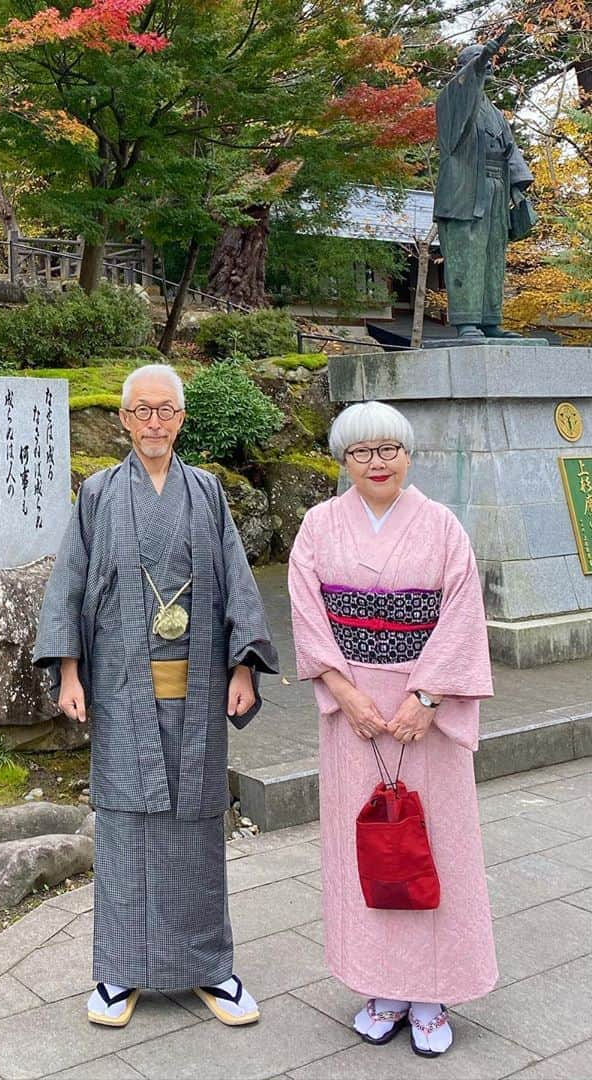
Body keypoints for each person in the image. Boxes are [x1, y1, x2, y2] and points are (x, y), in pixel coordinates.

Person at [33, 363, 278, 1028]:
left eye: (165, 410)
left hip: (197, 691)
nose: (153, 423)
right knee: (125, 827)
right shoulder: (101, 493)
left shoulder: (207, 493)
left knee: (197, 827)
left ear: (181, 417)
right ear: (122, 419)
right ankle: (119, 972)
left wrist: (243, 667)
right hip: (121, 693)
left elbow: (236, 580)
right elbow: (70, 585)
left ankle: (211, 969)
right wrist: (70, 672)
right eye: (140, 411)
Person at [288, 401, 497, 1057]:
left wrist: (428, 696)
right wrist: (344, 693)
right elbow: (307, 611)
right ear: (344, 461)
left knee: (433, 844)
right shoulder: (320, 527)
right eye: (361, 452)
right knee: (366, 846)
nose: (377, 463)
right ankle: (379, 986)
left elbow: (462, 614)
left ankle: (432, 990)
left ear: (408, 455)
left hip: (422, 714)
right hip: (354, 713)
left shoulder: (441, 528)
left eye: (389, 450)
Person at [434, 37, 534, 340]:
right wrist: (481, 58)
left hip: (496, 188)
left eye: (488, 60)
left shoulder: (494, 113)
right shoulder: (451, 101)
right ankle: (467, 322)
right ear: (464, 69)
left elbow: (511, 152)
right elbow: (463, 88)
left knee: (493, 254)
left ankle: (490, 320)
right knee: (468, 252)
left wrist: (518, 190)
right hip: (464, 191)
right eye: (479, 60)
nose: (488, 64)